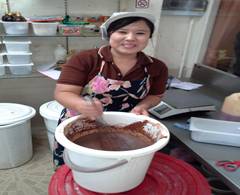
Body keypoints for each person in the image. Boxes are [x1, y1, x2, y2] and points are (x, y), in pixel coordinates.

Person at [53, 12, 168, 168]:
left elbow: (156, 95)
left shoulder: (156, 66)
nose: (130, 38)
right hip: (82, 122)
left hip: (127, 125)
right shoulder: (85, 59)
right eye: (122, 31)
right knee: (80, 168)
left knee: (122, 170)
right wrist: (81, 104)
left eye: (140, 33)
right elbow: (63, 92)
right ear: (109, 34)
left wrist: (143, 106)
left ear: (149, 36)